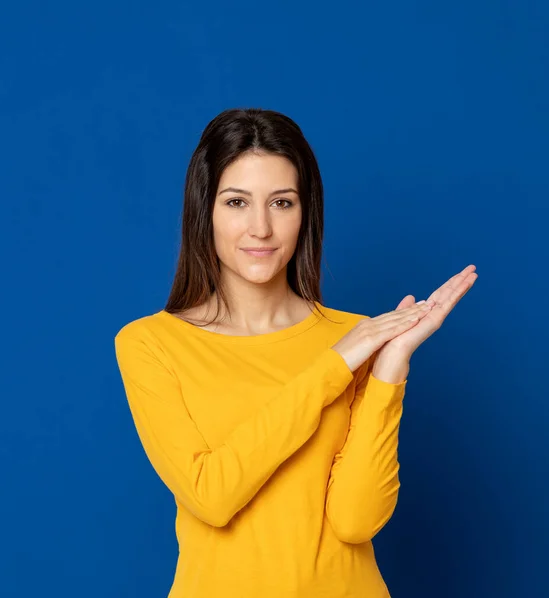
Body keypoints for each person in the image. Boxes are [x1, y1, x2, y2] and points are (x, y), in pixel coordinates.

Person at [114, 107, 478, 597]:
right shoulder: (151, 344)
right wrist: (334, 365)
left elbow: (356, 521)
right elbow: (212, 495)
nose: (261, 228)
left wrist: (390, 367)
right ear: (206, 210)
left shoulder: (363, 338)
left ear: (306, 212)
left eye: (282, 203)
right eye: (237, 202)